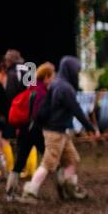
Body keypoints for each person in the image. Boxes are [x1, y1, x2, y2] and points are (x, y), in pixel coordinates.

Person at [20, 56, 98, 202]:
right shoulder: (65, 88)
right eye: (77, 70)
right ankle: (30, 192)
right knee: (48, 163)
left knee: (72, 159)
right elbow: (76, 109)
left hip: (59, 131)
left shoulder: (56, 83)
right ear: (71, 70)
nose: (78, 74)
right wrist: (90, 127)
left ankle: (70, 189)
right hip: (55, 132)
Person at [7, 62, 54, 200]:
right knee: (50, 159)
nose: (53, 80)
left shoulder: (31, 88)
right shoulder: (41, 92)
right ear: (46, 77)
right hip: (35, 131)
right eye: (52, 76)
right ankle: (63, 186)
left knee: (19, 162)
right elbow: (38, 115)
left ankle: (10, 193)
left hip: (24, 130)